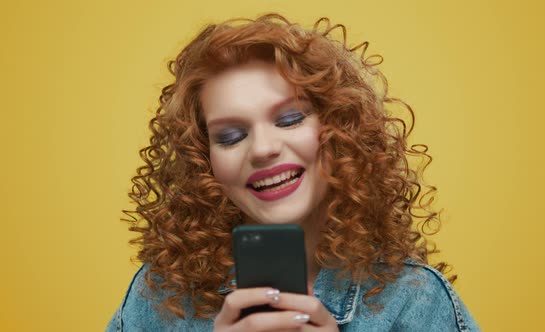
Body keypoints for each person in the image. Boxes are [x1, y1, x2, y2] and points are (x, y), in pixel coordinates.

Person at [107, 13, 479, 331]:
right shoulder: (159, 300)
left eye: (290, 119)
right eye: (232, 136)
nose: (263, 149)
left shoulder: (416, 302)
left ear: (337, 128)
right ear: (205, 161)